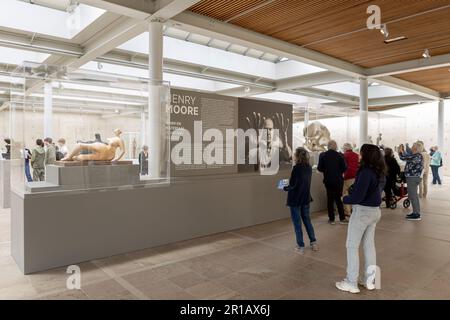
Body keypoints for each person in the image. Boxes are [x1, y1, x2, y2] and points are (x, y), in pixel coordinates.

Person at [335, 144, 386, 294]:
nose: (359, 155)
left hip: (363, 212)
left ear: (366, 155)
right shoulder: (378, 172)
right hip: (375, 212)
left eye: (361, 152)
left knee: (351, 246)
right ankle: (370, 281)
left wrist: (345, 198)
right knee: (369, 246)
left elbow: (358, 196)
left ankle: (351, 282)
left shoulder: (365, 172)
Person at [284, 147, 318, 255]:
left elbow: (293, 185)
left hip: (295, 200)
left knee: (297, 223)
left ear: (297, 156)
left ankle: (300, 246)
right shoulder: (308, 168)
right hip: (305, 198)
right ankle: (313, 243)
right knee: (307, 221)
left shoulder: (296, 169)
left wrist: (285, 187)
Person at [317, 140, 348, 225]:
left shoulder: (323, 155)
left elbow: (319, 168)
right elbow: (344, 168)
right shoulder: (340, 155)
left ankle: (331, 219)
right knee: (339, 199)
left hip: (328, 180)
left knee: (330, 199)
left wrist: (327, 170)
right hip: (338, 180)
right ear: (335, 146)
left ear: (328, 146)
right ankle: (342, 218)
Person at [399, 142, 424, 221]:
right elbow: (408, 154)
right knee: (413, 196)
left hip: (413, 178)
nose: (411, 147)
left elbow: (404, 158)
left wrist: (400, 152)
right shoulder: (416, 155)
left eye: (413, 146)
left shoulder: (417, 156)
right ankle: (415, 212)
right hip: (413, 177)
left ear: (416, 148)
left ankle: (417, 214)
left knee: (413, 196)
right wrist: (403, 150)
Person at [342, 143, 359, 217]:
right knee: (354, 193)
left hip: (347, 176)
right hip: (355, 176)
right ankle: (354, 210)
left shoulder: (345, 155)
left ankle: (347, 212)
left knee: (345, 193)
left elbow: (343, 166)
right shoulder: (356, 155)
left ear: (345, 149)